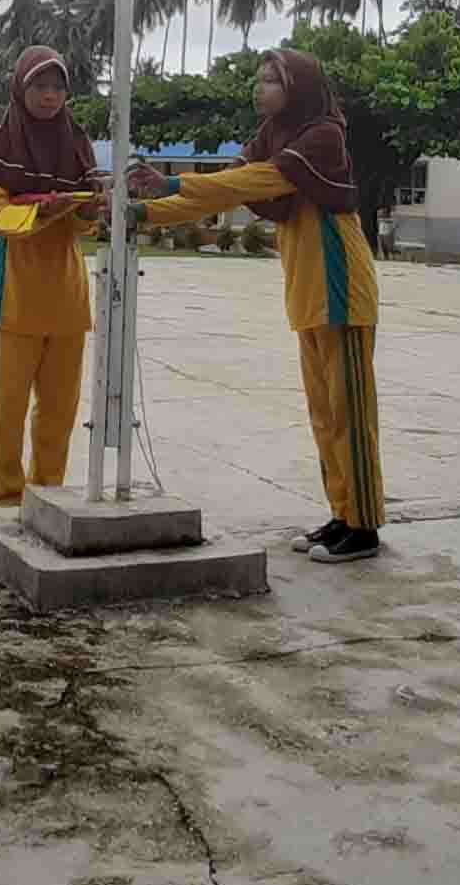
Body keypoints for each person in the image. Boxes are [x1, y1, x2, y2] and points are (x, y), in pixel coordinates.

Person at [128, 48, 384, 563]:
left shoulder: (322, 135)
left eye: (271, 80)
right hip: (309, 291)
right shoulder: (273, 135)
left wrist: (173, 181)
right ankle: (342, 513)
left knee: (350, 414)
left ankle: (365, 526)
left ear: (300, 88)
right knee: (323, 413)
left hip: (341, 289)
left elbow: (254, 182)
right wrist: (144, 210)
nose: (258, 88)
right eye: (258, 79)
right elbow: (223, 190)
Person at [0, 46, 102, 506]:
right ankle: (7, 498)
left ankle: (48, 495)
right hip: (14, 297)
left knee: (59, 412)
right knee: (6, 411)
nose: (50, 96)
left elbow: (85, 225)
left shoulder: (79, 143)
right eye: (39, 86)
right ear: (20, 88)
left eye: (58, 87)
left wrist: (85, 210)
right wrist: (46, 208)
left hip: (67, 295)